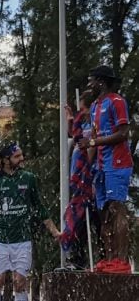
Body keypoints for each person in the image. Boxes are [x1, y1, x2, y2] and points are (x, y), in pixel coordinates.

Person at [0, 142, 60, 301]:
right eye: (17, 156)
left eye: (21, 155)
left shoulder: (28, 178)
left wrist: (55, 231)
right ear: (5, 160)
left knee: (20, 283)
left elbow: (39, 207)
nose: (22, 159)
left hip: (22, 240)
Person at [76, 65, 133, 273]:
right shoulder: (94, 107)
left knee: (116, 208)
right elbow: (93, 139)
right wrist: (85, 166)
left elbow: (123, 133)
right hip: (100, 165)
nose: (89, 85)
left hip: (118, 164)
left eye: (91, 81)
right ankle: (109, 258)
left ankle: (122, 260)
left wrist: (93, 142)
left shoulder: (117, 102)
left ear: (101, 82)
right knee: (104, 213)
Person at [61, 92, 98, 269]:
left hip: (87, 178)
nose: (80, 111)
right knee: (76, 217)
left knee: (85, 217)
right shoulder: (83, 122)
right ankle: (78, 255)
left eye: (82, 108)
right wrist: (70, 119)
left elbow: (90, 146)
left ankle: (91, 256)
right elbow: (75, 136)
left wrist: (86, 172)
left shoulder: (94, 122)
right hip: (78, 177)